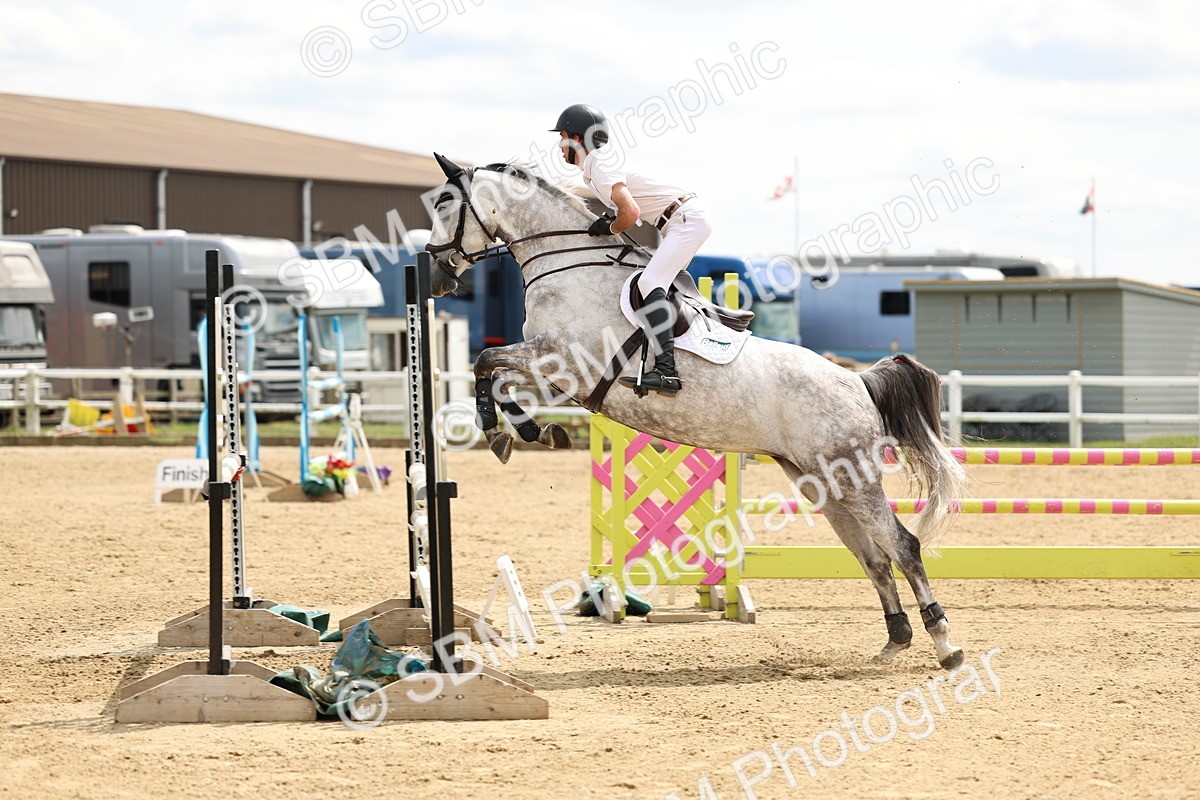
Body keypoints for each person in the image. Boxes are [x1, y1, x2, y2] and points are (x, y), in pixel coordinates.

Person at [551, 103, 712, 398]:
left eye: (561, 138)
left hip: (684, 219)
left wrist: (610, 227)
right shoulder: (596, 167)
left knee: (650, 282)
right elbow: (631, 216)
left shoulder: (600, 162)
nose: (560, 147)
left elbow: (629, 212)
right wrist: (610, 223)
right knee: (654, 282)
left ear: (575, 138)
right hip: (678, 221)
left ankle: (666, 371)